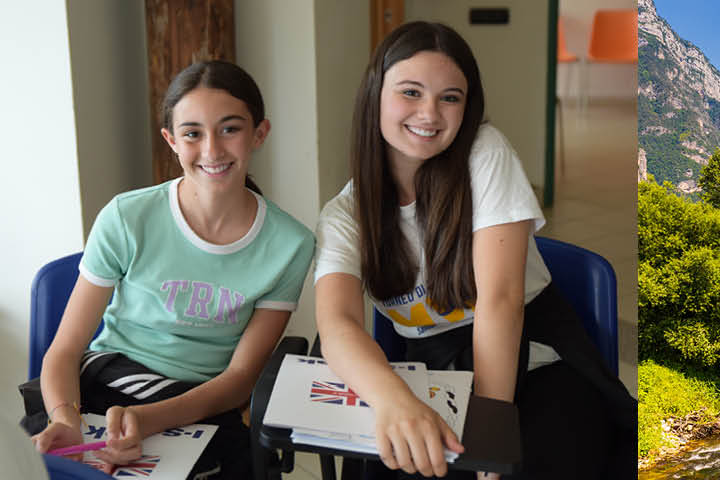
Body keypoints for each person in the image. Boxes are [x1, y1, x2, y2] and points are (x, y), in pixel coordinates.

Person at [311, 21, 629, 479]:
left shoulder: (484, 151)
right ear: (374, 95)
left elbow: (500, 302)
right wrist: (394, 401)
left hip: (533, 359)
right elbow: (337, 323)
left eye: (450, 98)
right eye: (411, 92)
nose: (430, 114)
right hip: (430, 373)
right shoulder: (345, 213)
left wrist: (490, 429)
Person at [24, 60, 316, 480]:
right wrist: (66, 421)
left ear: (259, 134)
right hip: (105, 385)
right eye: (193, 134)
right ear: (171, 141)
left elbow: (240, 378)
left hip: (200, 403)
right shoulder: (127, 216)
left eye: (230, 129)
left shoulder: (291, 244)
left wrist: (149, 419)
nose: (212, 150)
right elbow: (65, 350)